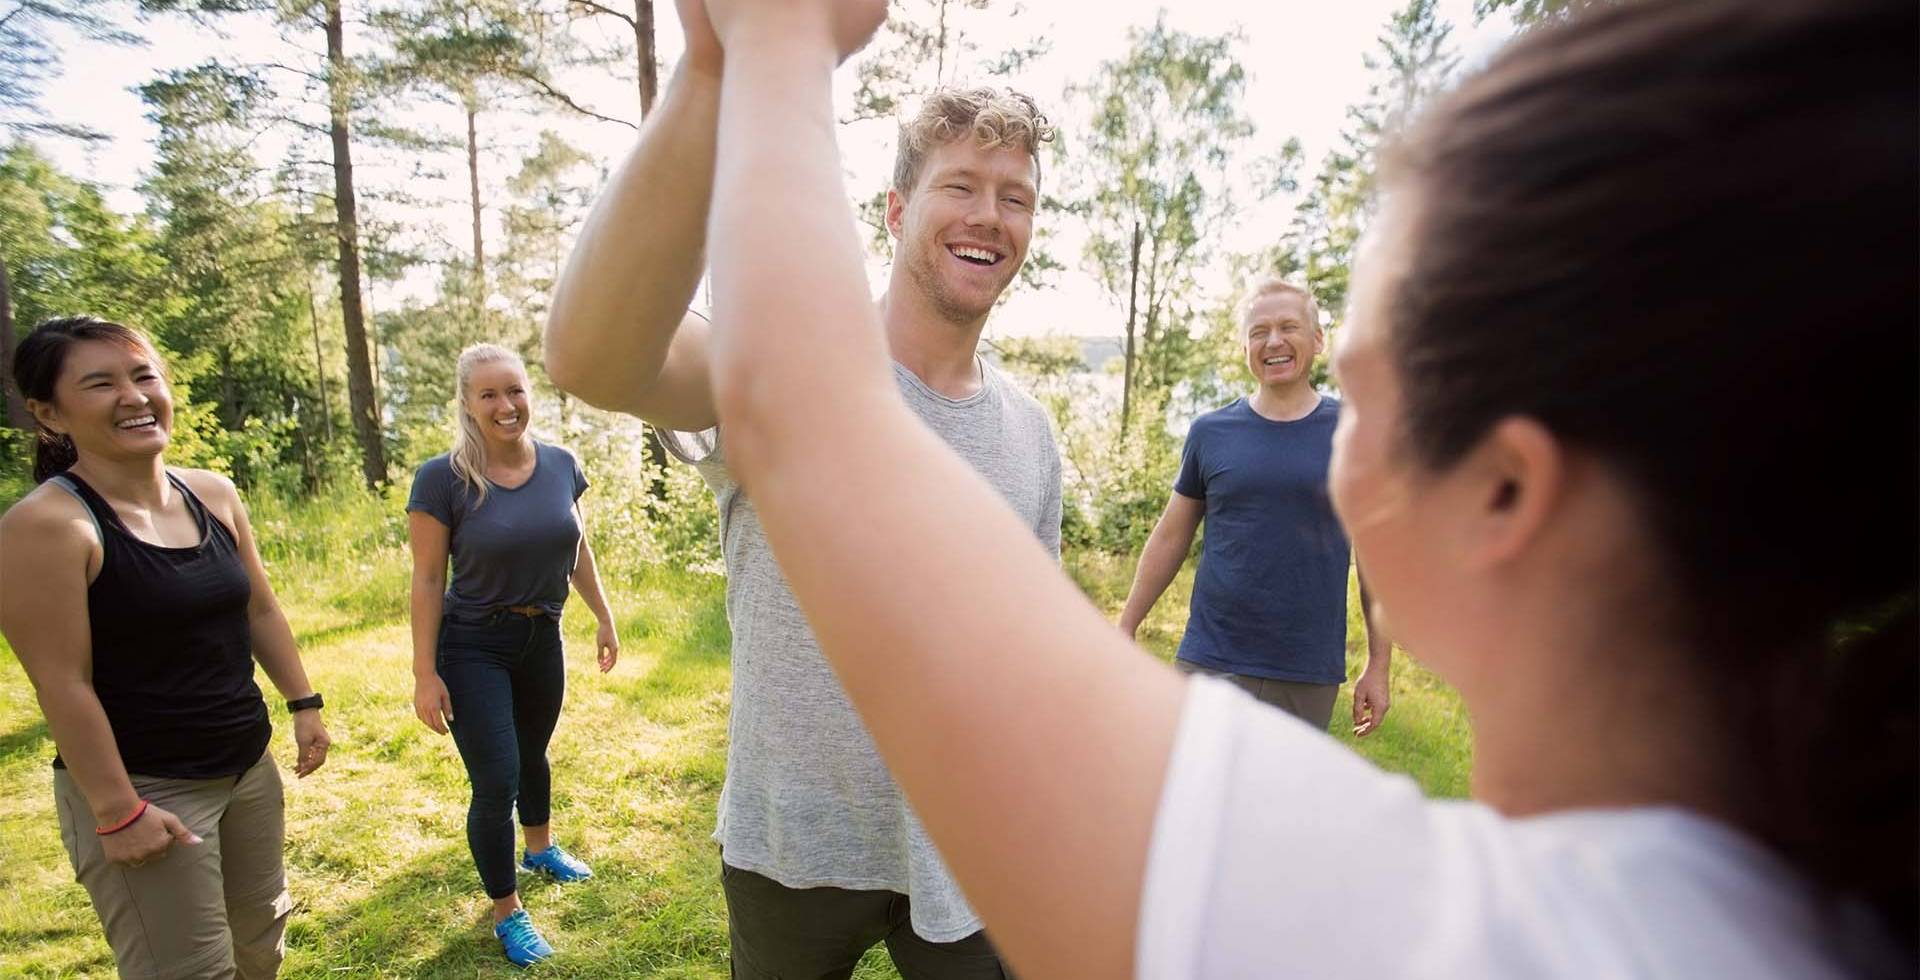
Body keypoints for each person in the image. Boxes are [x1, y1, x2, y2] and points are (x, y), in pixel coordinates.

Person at [681, 0, 1918, 977]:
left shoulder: (1380, 924)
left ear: (1504, 491)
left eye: (1363, 390)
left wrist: (780, 34)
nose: (1320, 427)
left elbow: (805, 411)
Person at [544, 9, 1060, 971]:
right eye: (960, 186)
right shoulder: (786, 369)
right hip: (793, 844)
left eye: (1015, 196)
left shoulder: (1030, 429)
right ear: (898, 210)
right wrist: (709, 66)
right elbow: (590, 355)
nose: (989, 214)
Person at [0, 315, 334, 979]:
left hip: (246, 771)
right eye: (100, 383)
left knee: (260, 944)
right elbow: (63, 683)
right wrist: (118, 810)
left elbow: (259, 607)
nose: (133, 396)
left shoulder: (212, 493)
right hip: (149, 789)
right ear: (49, 414)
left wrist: (304, 702)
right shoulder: (47, 526)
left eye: (144, 375)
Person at [404, 343, 620, 968]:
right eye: (490, 395)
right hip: (472, 643)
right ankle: (508, 911)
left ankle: (541, 846)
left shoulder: (560, 464)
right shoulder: (441, 478)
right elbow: (425, 579)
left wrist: (603, 617)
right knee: (496, 778)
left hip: (541, 637)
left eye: (516, 390)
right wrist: (425, 672)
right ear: (468, 406)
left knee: (532, 753)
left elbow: (577, 547)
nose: (507, 406)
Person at [1119, 277, 1392, 735]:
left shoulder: (1354, 433)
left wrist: (1378, 664)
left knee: (1284, 804)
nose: (1274, 342)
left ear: (1318, 339)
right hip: (1211, 659)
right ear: (1245, 346)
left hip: (1307, 669)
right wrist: (1126, 626)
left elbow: (1376, 559)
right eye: (1259, 331)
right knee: (1194, 797)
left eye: (1289, 327)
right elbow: (1171, 535)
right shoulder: (1210, 432)